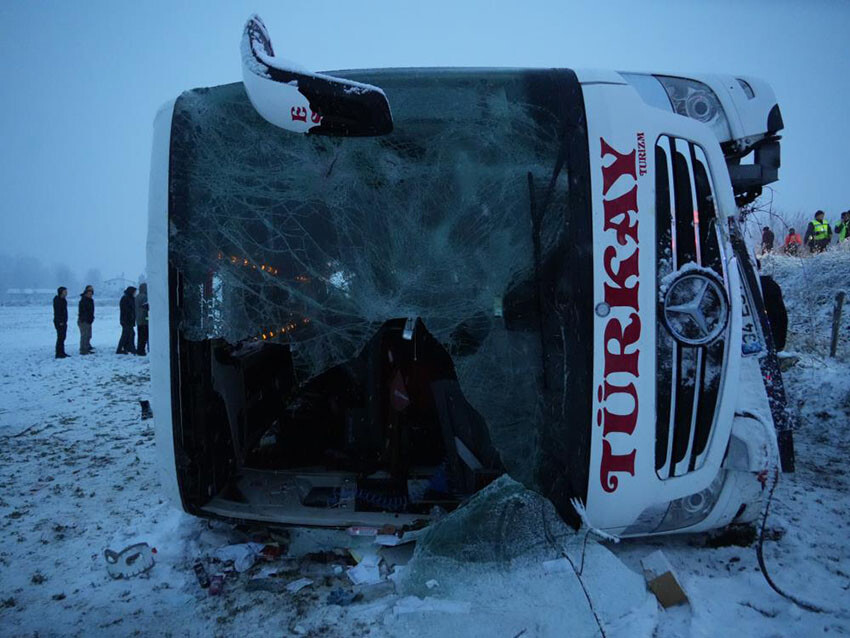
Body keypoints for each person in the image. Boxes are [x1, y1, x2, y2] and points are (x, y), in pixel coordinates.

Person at [117, 286, 138, 354]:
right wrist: (130, 317)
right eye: (134, 292)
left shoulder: (130, 298)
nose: (135, 293)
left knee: (129, 334)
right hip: (126, 320)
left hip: (129, 320)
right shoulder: (126, 299)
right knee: (127, 334)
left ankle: (127, 348)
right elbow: (126, 310)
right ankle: (121, 349)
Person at [52, 287, 70, 359]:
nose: (66, 293)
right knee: (60, 337)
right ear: (61, 292)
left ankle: (62, 352)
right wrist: (61, 322)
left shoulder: (63, 300)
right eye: (65, 291)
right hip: (59, 322)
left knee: (63, 337)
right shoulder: (57, 300)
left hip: (64, 321)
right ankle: (58, 353)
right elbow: (58, 312)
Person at [78, 285, 95, 355]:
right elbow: (84, 311)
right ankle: (83, 350)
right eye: (89, 293)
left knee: (88, 335)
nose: (90, 295)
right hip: (84, 321)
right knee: (84, 335)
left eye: (91, 293)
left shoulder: (90, 300)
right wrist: (86, 319)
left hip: (88, 320)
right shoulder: (84, 301)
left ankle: (87, 347)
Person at [135, 282, 149, 355]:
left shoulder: (137, 296)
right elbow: (146, 308)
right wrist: (148, 318)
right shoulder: (145, 297)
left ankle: (139, 350)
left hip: (138, 320)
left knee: (140, 336)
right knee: (144, 336)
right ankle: (142, 351)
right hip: (144, 320)